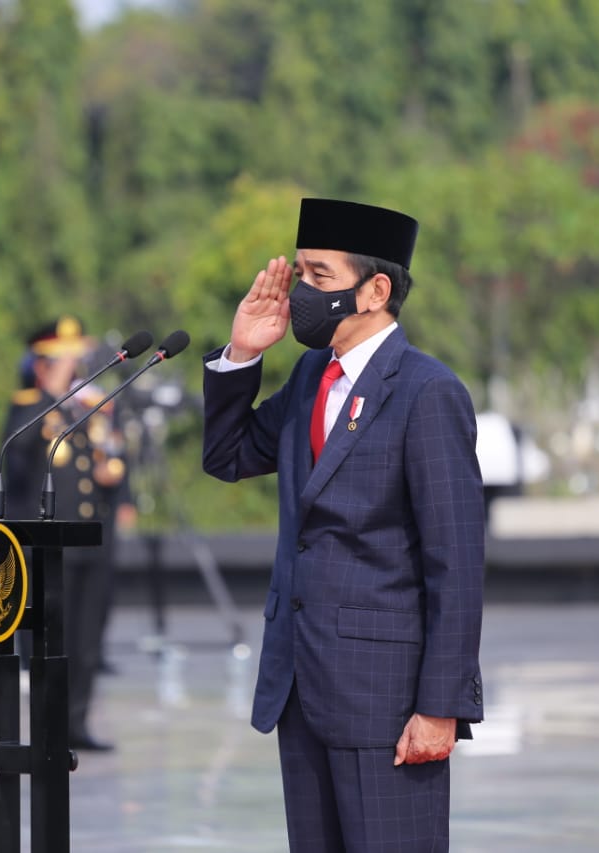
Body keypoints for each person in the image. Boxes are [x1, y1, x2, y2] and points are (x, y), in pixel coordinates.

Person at [201, 198, 486, 851]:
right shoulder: (310, 376)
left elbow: (457, 563)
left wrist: (442, 705)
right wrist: (242, 353)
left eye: (319, 277)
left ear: (375, 290)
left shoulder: (426, 391)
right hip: (302, 688)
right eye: (300, 273)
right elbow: (229, 455)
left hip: (387, 702)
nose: (301, 292)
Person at [0, 315, 135, 752]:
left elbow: (111, 456)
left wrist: (118, 484)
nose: (73, 368)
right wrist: (51, 394)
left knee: (87, 639)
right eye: (62, 361)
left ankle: (76, 725)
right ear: (40, 364)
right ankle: (46, 727)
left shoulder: (88, 405)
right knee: (50, 640)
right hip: (48, 545)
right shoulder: (28, 407)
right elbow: (15, 461)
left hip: (91, 539)